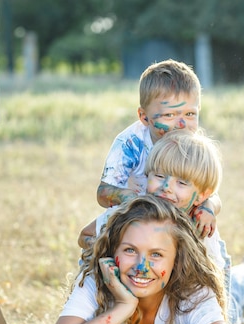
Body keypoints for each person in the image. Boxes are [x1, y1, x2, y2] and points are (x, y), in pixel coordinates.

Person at [37, 195, 244, 324]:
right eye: (130, 250)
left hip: (225, 308)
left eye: (156, 254)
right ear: (112, 250)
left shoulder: (193, 295)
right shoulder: (97, 282)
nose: (141, 267)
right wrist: (122, 307)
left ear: (176, 260)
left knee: (238, 291)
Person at [82, 129, 244, 324]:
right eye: (159, 176)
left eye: (181, 183)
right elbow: (85, 236)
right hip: (153, 290)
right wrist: (108, 246)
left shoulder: (198, 225)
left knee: (231, 311)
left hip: (203, 284)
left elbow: (212, 285)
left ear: (201, 196)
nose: (166, 187)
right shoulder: (133, 213)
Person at [90, 59, 221, 245]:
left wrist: (208, 208)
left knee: (204, 235)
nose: (182, 125)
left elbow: (209, 191)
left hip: (180, 217)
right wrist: (133, 200)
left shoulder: (194, 146)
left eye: (190, 114)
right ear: (144, 117)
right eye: (169, 115)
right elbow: (103, 193)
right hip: (137, 217)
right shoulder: (129, 144)